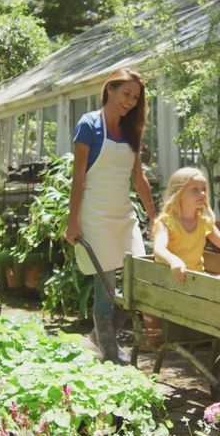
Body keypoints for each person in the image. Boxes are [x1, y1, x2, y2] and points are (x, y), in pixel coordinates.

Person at [64, 68, 157, 365]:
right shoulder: (89, 125)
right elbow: (78, 177)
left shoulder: (132, 131)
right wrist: (72, 220)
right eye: (126, 94)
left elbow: (139, 179)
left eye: (136, 97)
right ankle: (110, 354)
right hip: (95, 213)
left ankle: (98, 338)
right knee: (106, 288)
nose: (130, 101)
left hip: (123, 213)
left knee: (136, 281)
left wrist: (154, 217)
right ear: (110, 90)